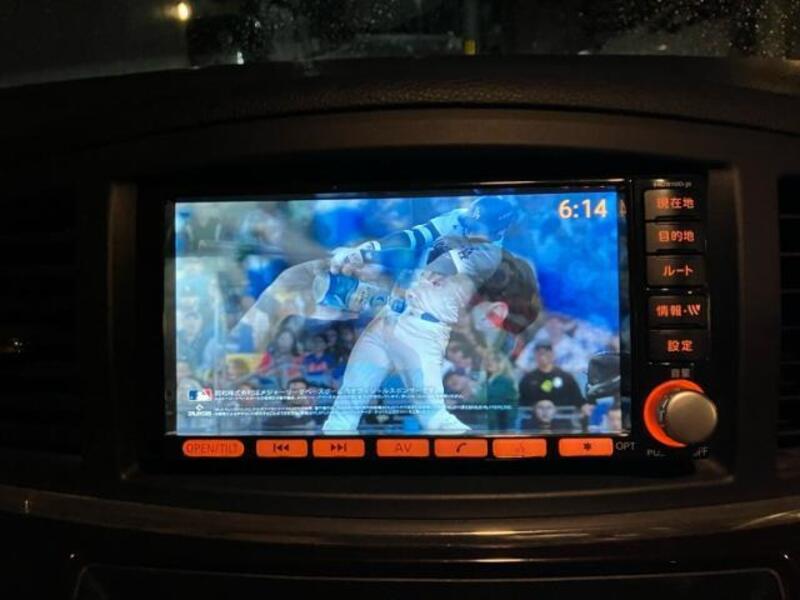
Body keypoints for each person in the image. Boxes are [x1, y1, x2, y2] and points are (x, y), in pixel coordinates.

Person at [322, 239, 541, 434]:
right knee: (346, 407)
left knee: (435, 417)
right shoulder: (476, 255)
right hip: (387, 320)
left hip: (421, 333)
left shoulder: (487, 274)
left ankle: (475, 452)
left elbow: (471, 261)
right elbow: (434, 252)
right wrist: (362, 256)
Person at [518, 341, 590, 430]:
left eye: (546, 352)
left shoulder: (565, 377)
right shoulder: (528, 379)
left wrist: (584, 407)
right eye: (539, 353)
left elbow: (578, 399)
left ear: (552, 354)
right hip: (533, 426)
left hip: (562, 425)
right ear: (535, 355)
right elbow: (521, 402)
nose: (542, 356)